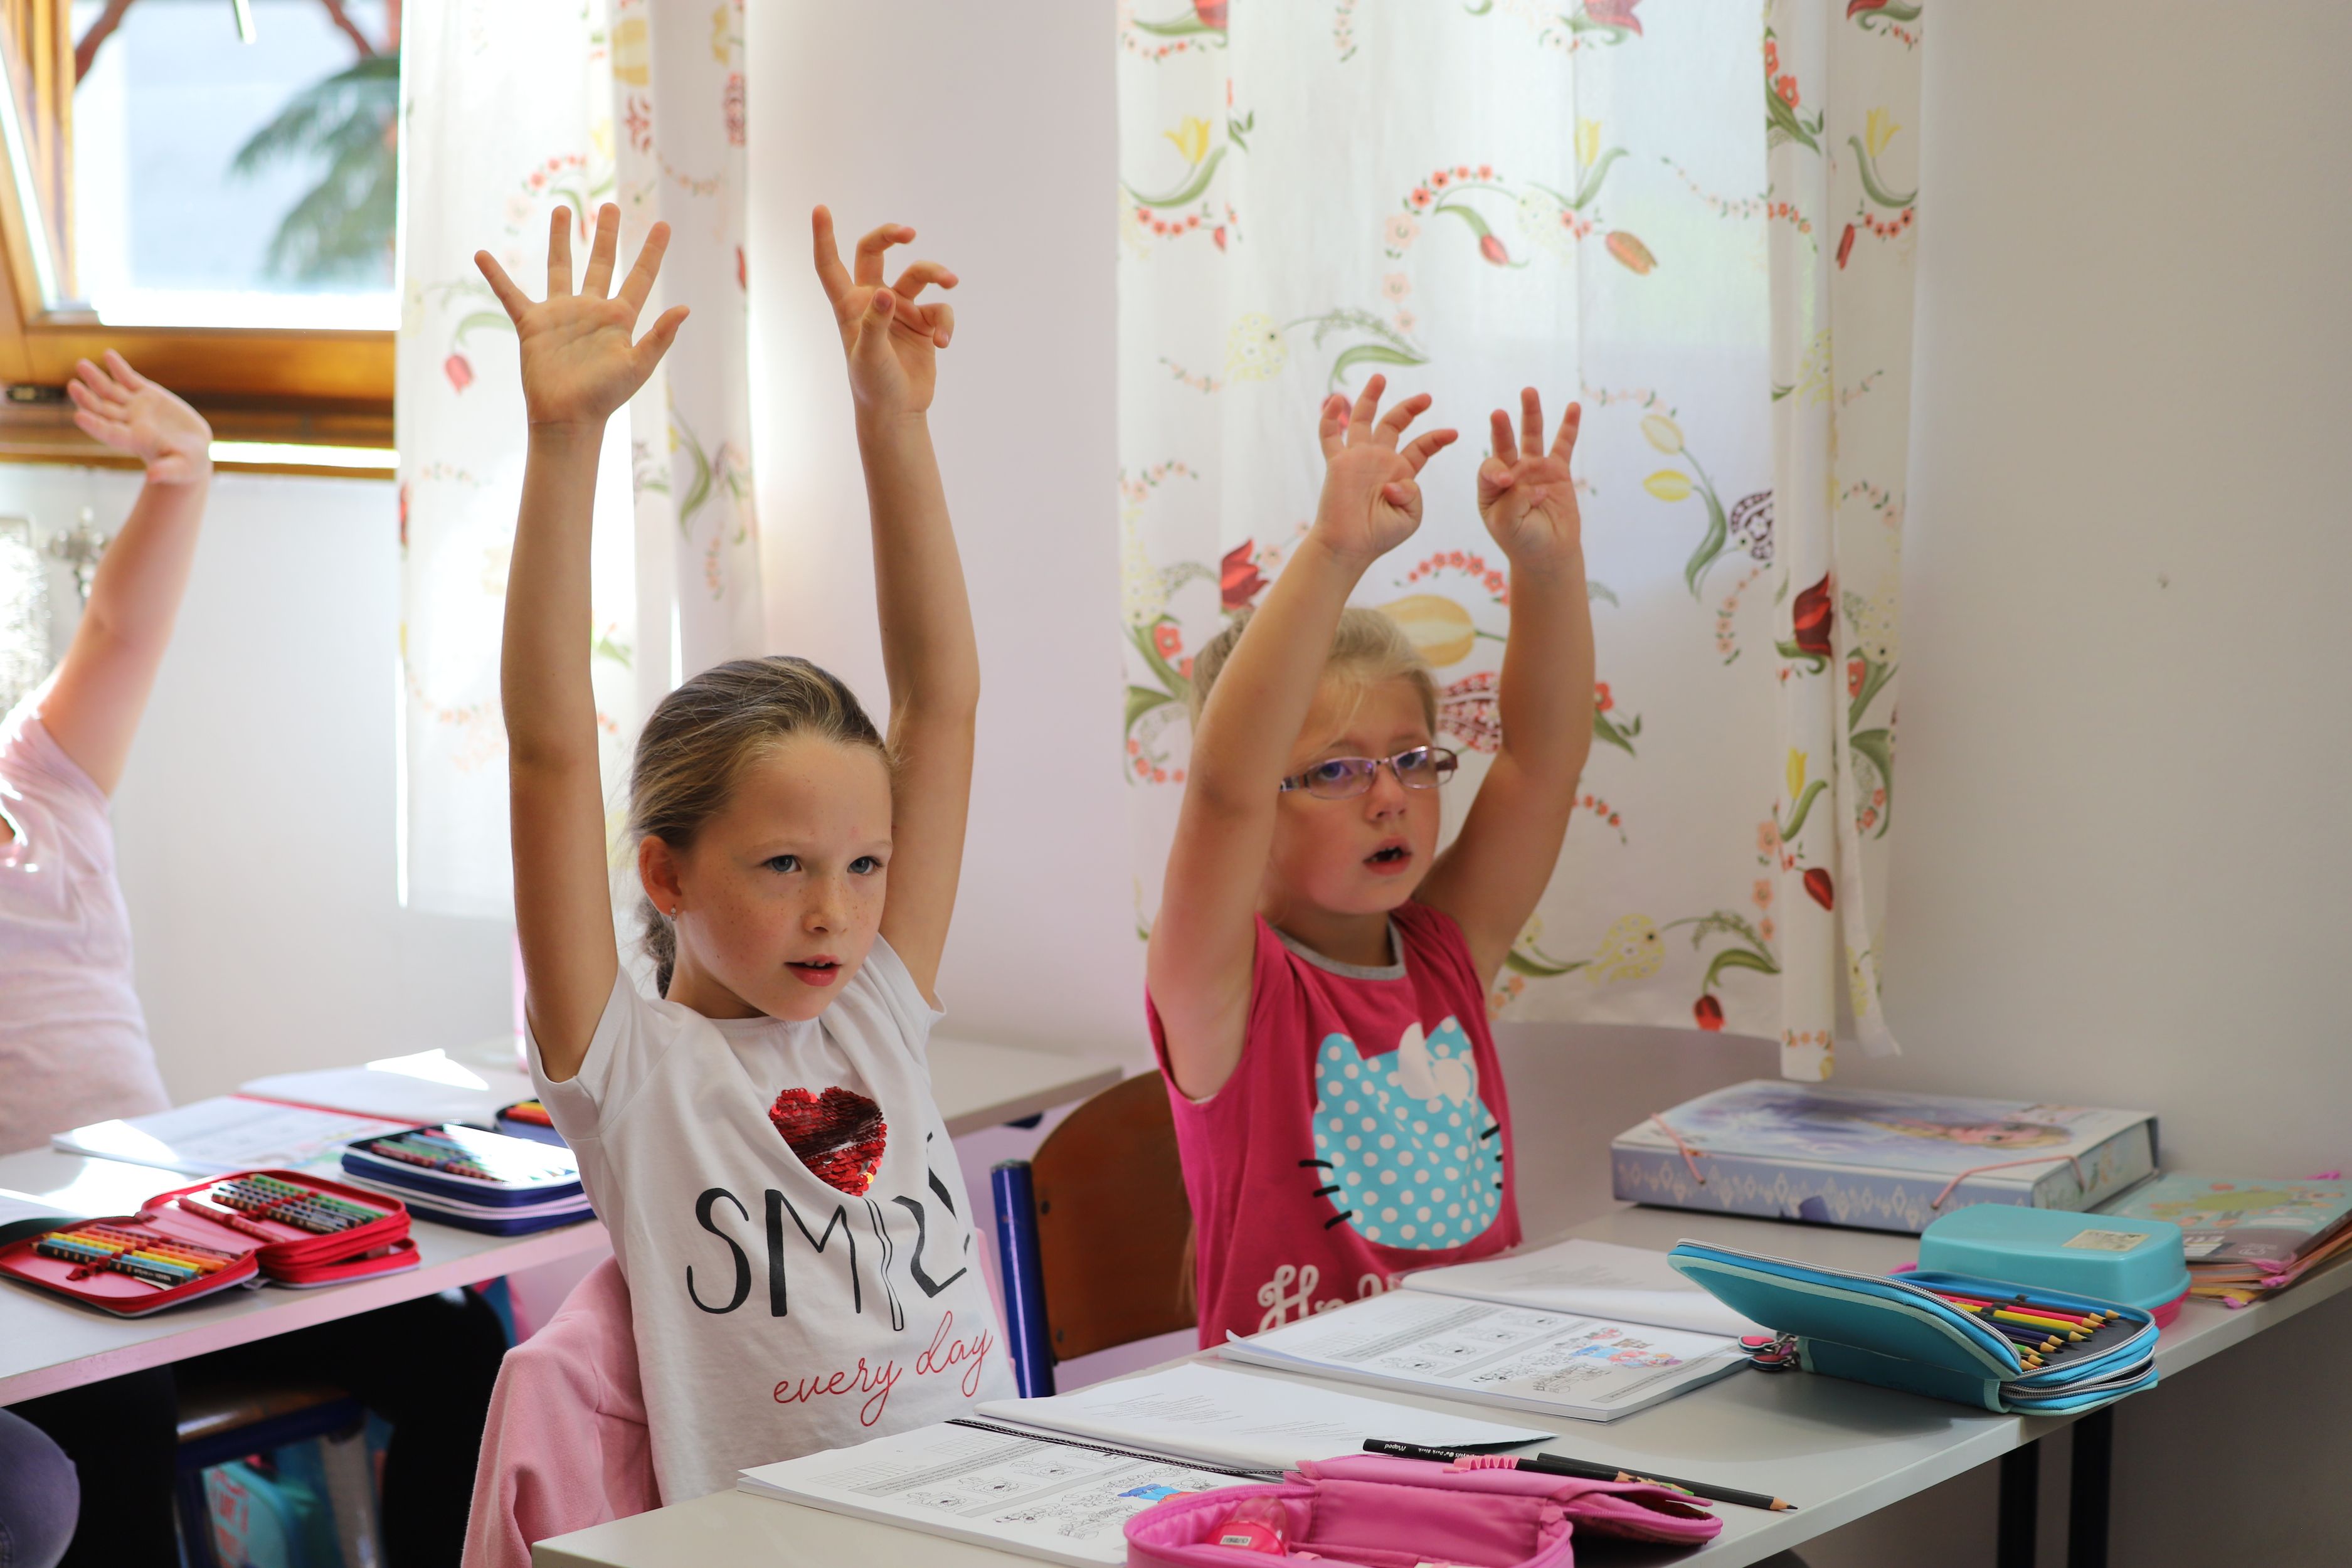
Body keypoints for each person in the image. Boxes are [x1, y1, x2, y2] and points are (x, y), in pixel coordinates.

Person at [480, 201, 1012, 1502]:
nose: (836, 912)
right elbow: (549, 752)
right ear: (666, 875)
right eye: (783, 866)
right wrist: (565, 441)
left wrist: (893, 418)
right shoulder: (631, 1071)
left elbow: (942, 703)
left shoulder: (876, 1008)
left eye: (865, 865)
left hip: (996, 1511)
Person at [0, 357, 506, 1567]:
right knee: (114, 1402)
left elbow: (121, 629)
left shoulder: (43, 777)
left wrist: (184, 474)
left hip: (176, 1227)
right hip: (45, 1276)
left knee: (457, 1347)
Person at [1148, 378, 1597, 1343]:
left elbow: (1541, 761)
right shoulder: (1222, 988)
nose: (1389, 795)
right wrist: (1334, 552)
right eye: (1335, 771)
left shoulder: (1443, 952)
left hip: (1475, 1386)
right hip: (1294, 1414)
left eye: (1410, 760)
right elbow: (1224, 791)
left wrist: (1547, 566)